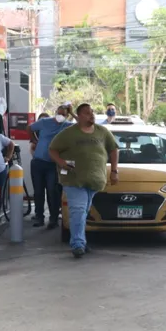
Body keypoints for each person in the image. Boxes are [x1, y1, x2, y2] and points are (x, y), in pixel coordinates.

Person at [48, 103, 119, 258]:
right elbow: (52, 149)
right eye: (87, 113)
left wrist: (114, 171)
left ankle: (81, 241)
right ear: (79, 116)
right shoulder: (68, 134)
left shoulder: (102, 132)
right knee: (78, 210)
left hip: (95, 180)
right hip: (74, 179)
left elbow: (113, 149)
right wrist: (61, 162)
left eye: (92, 112)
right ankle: (78, 244)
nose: (91, 115)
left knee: (83, 212)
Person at [26, 105, 74, 229]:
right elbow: (29, 128)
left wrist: (73, 113)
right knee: (38, 192)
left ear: (67, 115)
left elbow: (83, 125)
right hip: (38, 162)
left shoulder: (67, 126)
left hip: (53, 164)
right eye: (59, 113)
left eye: (64, 114)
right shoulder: (44, 122)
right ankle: (39, 217)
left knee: (53, 191)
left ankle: (53, 219)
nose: (60, 116)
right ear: (55, 112)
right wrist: (34, 140)